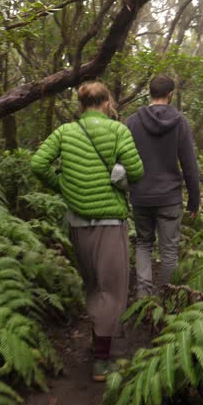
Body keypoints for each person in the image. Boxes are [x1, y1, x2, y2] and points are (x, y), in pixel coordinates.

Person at [31, 81, 143, 381]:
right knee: (113, 290)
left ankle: (99, 338)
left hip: (78, 223)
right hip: (110, 221)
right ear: (107, 103)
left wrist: (64, 188)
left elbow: (38, 164)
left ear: (81, 105)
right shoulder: (119, 131)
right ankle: (102, 360)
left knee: (93, 285)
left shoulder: (65, 132)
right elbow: (136, 171)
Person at [126, 74, 200, 298]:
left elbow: (122, 159)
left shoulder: (132, 122)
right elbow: (189, 164)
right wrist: (194, 202)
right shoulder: (180, 122)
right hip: (170, 198)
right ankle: (169, 300)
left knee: (143, 245)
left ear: (149, 92)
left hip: (140, 195)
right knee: (169, 251)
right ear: (170, 94)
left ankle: (143, 299)